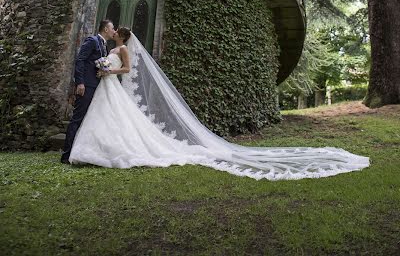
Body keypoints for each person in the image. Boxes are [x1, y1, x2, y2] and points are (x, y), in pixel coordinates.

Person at [67, 28, 370, 181]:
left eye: (115, 32)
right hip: (107, 88)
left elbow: (126, 70)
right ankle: (91, 149)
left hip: (111, 84)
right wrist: (103, 69)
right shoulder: (111, 47)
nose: (113, 34)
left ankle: (103, 149)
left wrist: (108, 69)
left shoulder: (121, 49)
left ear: (121, 36)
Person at [61, 19, 115, 164]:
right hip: (87, 85)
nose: (113, 31)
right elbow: (80, 60)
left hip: (96, 86)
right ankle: (66, 156)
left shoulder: (104, 45)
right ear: (105, 29)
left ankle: (80, 152)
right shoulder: (92, 40)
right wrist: (80, 82)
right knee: (77, 118)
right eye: (112, 28)